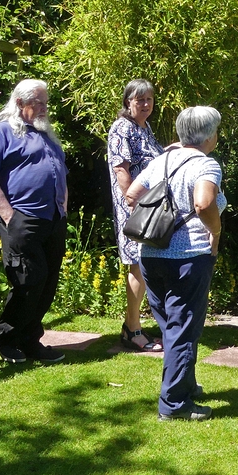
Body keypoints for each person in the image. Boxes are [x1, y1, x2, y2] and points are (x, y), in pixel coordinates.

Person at [126, 106, 225, 421]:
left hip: (152, 254)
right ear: (209, 135)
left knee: (174, 326)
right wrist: (216, 230)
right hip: (189, 256)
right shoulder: (206, 164)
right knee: (183, 329)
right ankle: (174, 405)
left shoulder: (161, 160)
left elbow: (131, 195)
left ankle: (186, 383)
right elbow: (204, 202)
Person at [0, 79, 68, 365]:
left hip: (52, 219)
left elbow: (59, 172)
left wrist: (62, 205)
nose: (43, 108)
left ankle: (30, 340)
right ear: (19, 103)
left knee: (47, 281)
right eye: (37, 102)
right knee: (28, 279)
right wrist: (9, 215)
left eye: (45, 102)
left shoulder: (47, 136)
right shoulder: (0, 133)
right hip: (21, 218)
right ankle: (8, 339)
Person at [107, 79, 165, 352]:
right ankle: (132, 330)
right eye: (139, 100)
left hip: (149, 206)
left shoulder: (145, 128)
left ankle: (133, 326)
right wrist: (134, 205)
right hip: (134, 207)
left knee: (144, 266)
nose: (145, 104)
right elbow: (122, 171)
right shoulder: (122, 128)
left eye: (149, 100)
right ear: (127, 102)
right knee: (137, 265)